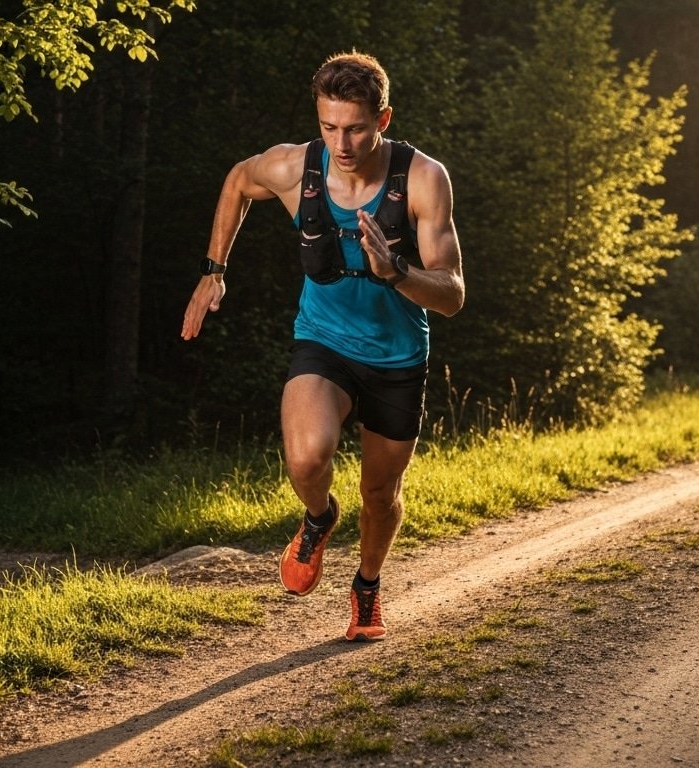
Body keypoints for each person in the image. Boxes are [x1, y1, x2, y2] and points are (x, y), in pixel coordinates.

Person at [180, 51, 464, 641]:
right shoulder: (295, 168)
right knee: (307, 458)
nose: (342, 142)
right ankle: (318, 518)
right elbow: (237, 180)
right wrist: (214, 268)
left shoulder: (423, 179)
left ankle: (366, 587)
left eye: (356, 127)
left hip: (396, 357)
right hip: (324, 343)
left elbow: (453, 292)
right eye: (329, 127)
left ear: (383, 120)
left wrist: (398, 273)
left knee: (380, 495)